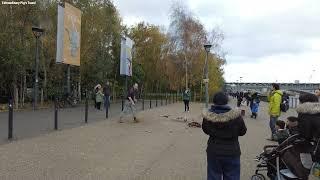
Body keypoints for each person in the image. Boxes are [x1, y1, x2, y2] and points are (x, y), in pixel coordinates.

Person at [202, 92, 247, 180]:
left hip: (213, 151)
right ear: (226, 101)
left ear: (214, 101)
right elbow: (243, 132)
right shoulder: (236, 116)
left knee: (213, 176)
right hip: (232, 151)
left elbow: (206, 130)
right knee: (232, 176)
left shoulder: (208, 116)